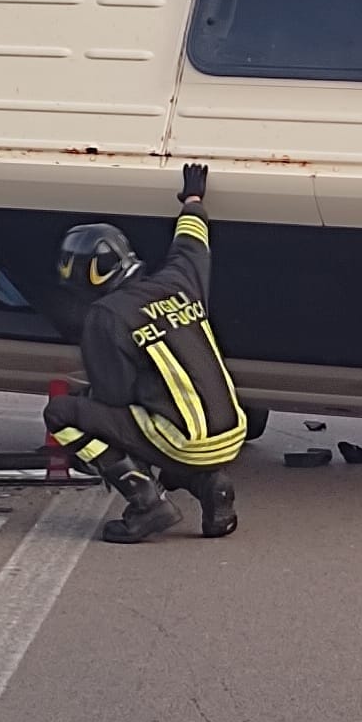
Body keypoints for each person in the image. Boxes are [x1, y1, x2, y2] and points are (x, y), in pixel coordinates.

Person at [43, 163, 243, 542]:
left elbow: (113, 398)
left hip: (184, 440)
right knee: (152, 421)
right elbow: (191, 242)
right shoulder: (177, 280)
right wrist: (193, 198)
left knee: (64, 413)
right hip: (230, 430)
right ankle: (211, 485)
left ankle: (147, 503)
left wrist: (87, 403)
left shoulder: (106, 316)